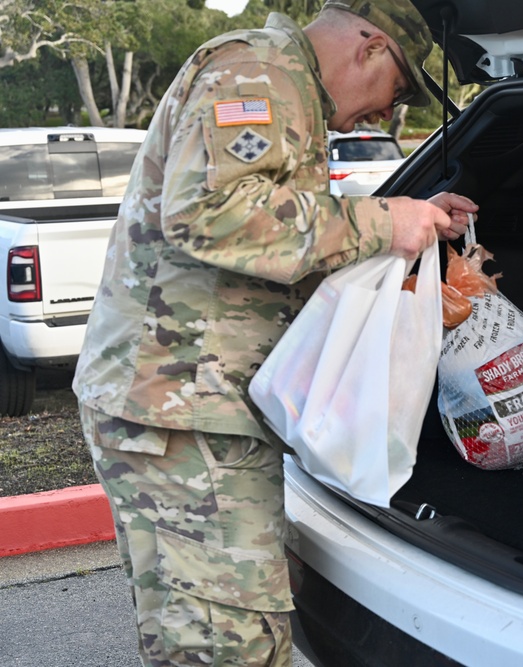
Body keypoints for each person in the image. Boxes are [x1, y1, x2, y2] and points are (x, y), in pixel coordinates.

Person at [72, 1, 477, 665]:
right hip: (181, 414)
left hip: (191, 406)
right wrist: (382, 223)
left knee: (202, 633)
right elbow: (211, 213)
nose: (387, 115)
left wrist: (413, 221)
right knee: (227, 644)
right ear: (371, 47)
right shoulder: (258, 73)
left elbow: (279, 233)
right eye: (397, 93)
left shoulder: (285, 85)